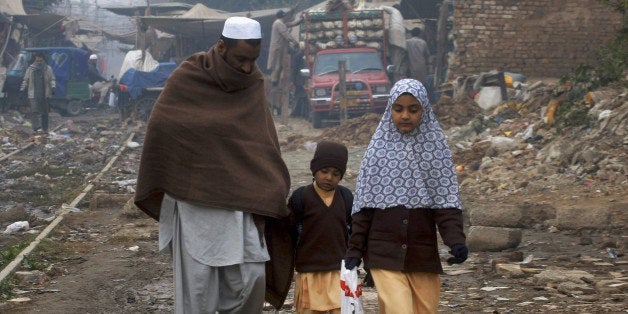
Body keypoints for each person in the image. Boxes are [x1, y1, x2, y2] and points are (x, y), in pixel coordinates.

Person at [134, 17, 291, 313]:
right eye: (240, 59)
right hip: (195, 202)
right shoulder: (189, 76)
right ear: (221, 47)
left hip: (239, 202)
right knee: (198, 291)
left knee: (251, 280)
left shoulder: (253, 83)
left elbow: (261, 141)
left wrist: (271, 184)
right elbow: (163, 125)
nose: (247, 67)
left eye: (253, 60)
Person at [344, 78, 468, 313]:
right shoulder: (377, 151)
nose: (405, 115)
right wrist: (354, 250)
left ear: (424, 110)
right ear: (389, 108)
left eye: (413, 109)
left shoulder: (436, 149)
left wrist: (456, 241)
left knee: (425, 310)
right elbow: (364, 207)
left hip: (421, 253)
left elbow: (445, 202)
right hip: (383, 252)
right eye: (398, 108)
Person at [288, 141, 353, 313]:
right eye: (324, 171)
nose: (329, 177)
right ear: (314, 169)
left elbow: (354, 231)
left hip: (338, 271)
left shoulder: (346, 197)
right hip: (309, 271)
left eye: (335, 173)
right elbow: (289, 234)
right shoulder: (300, 197)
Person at [20, 52, 56, 134]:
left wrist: (53, 87)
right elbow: (26, 80)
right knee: (34, 111)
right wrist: (22, 90)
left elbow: (52, 79)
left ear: (43, 58)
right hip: (33, 94)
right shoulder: (30, 69)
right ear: (35, 58)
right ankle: (36, 128)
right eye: (37, 57)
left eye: (40, 57)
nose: (38, 59)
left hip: (45, 94)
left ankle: (45, 128)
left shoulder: (48, 68)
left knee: (45, 112)